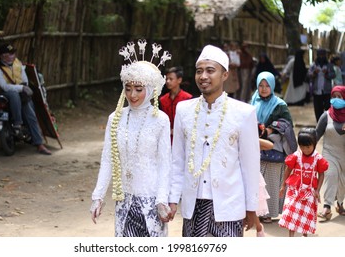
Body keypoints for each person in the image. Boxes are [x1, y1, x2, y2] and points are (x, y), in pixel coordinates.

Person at [168, 45, 260, 237]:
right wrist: (172, 198)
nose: (203, 76)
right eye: (199, 71)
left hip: (229, 204)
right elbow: (177, 160)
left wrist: (251, 207)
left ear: (225, 75)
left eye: (210, 70)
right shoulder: (184, 111)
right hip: (194, 204)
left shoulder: (244, 113)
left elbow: (250, 166)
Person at [90, 40, 172, 237]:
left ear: (151, 89)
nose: (132, 95)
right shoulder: (115, 118)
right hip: (124, 200)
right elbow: (108, 159)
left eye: (138, 89)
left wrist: (162, 199)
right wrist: (98, 196)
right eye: (128, 89)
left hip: (152, 201)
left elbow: (164, 163)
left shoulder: (160, 119)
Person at [251, 71, 296, 224]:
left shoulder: (279, 104)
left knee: (270, 181)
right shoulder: (253, 100)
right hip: (255, 145)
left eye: (267, 86)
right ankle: (258, 210)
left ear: (272, 86)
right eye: (261, 85)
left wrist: (270, 128)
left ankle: (269, 213)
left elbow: (287, 123)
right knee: (256, 179)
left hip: (274, 147)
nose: (263, 89)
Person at [0, 44, 51, 155]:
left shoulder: (17, 63)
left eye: (13, 53)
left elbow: (25, 80)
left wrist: (23, 87)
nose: (12, 56)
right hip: (6, 93)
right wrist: (21, 88)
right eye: (9, 54)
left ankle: (39, 144)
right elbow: (4, 86)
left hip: (20, 91)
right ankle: (17, 124)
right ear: (2, 56)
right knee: (13, 95)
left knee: (31, 114)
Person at [279, 128, 328, 237]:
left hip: (310, 191)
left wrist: (318, 190)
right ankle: (290, 237)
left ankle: (304, 236)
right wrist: (283, 186)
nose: (305, 150)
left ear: (314, 144)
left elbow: (321, 174)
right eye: (302, 146)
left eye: (308, 147)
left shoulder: (318, 158)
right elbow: (288, 169)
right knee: (291, 214)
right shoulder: (296, 156)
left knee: (306, 217)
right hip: (294, 190)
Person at [316, 85, 345, 220]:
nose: (335, 100)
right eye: (333, 97)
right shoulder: (326, 116)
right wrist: (307, 154)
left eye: (339, 97)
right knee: (331, 175)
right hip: (329, 153)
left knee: (343, 182)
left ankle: (340, 204)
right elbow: (315, 136)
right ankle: (327, 207)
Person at [159, 66, 192, 143]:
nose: (167, 81)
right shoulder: (162, 100)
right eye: (166, 79)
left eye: (171, 79)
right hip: (166, 137)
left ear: (179, 80)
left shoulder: (187, 98)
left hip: (183, 137)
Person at [308, 48, 336, 122]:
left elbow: (333, 75)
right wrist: (314, 73)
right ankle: (319, 123)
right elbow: (308, 75)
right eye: (319, 55)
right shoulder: (313, 65)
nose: (321, 57)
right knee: (318, 109)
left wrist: (327, 73)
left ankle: (327, 122)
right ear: (317, 55)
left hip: (326, 91)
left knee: (327, 107)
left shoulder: (329, 65)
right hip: (316, 91)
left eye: (323, 55)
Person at [255, 138, 272, 237]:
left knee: (253, 208)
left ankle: (259, 228)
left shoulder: (254, 142)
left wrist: (253, 137)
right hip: (238, 176)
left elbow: (270, 145)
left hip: (253, 178)